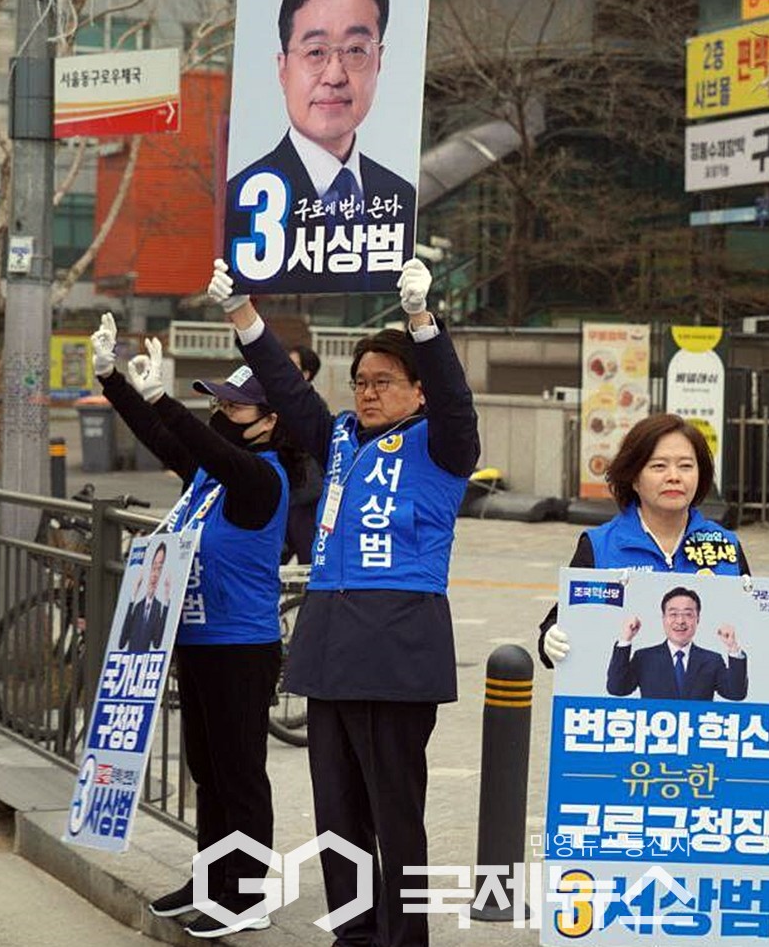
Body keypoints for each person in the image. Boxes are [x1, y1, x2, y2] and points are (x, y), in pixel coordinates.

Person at [207, 255, 478, 947]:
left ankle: (403, 935)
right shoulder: (338, 440)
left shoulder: (442, 444)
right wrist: (244, 315)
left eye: (384, 381)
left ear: (415, 391)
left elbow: (453, 396)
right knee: (336, 807)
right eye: (360, 381)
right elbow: (289, 397)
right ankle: (354, 932)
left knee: (395, 809)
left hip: (397, 640)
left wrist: (423, 323)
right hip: (330, 638)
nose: (368, 392)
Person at [89, 315, 307, 940]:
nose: (224, 412)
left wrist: (167, 399)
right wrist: (115, 381)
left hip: (243, 645)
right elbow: (169, 441)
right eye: (220, 401)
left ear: (270, 420)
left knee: (238, 773)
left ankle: (247, 894)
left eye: (237, 406)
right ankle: (212, 879)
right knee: (206, 771)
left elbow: (205, 446)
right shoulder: (212, 476)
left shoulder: (260, 480)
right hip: (198, 639)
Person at [537, 413, 769, 674]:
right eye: (659, 466)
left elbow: (750, 626)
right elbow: (561, 621)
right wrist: (551, 638)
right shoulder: (598, 546)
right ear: (634, 477)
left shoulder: (725, 546)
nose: (674, 476)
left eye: (686, 466)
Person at [225, 0, 416, 293]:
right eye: (315, 52)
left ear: (379, 60)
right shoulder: (244, 195)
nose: (334, 75)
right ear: (283, 68)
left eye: (356, 50)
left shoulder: (399, 195)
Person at [606, 586, 747, 701]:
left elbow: (736, 693)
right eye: (673, 614)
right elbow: (617, 688)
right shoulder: (644, 657)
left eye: (688, 614)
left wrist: (733, 647)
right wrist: (626, 639)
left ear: (698, 619)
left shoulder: (712, 660)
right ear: (663, 618)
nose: (680, 621)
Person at [284, 345, 325, 564]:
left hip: (305, 495)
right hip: (285, 495)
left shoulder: (311, 406)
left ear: (306, 374)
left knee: (309, 561)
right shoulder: (280, 402)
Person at [118, 541, 171, 652]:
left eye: (160, 568)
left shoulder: (159, 608)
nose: (155, 575)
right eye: (154, 567)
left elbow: (157, 643)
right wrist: (134, 594)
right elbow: (122, 642)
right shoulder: (137, 606)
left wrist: (166, 600)